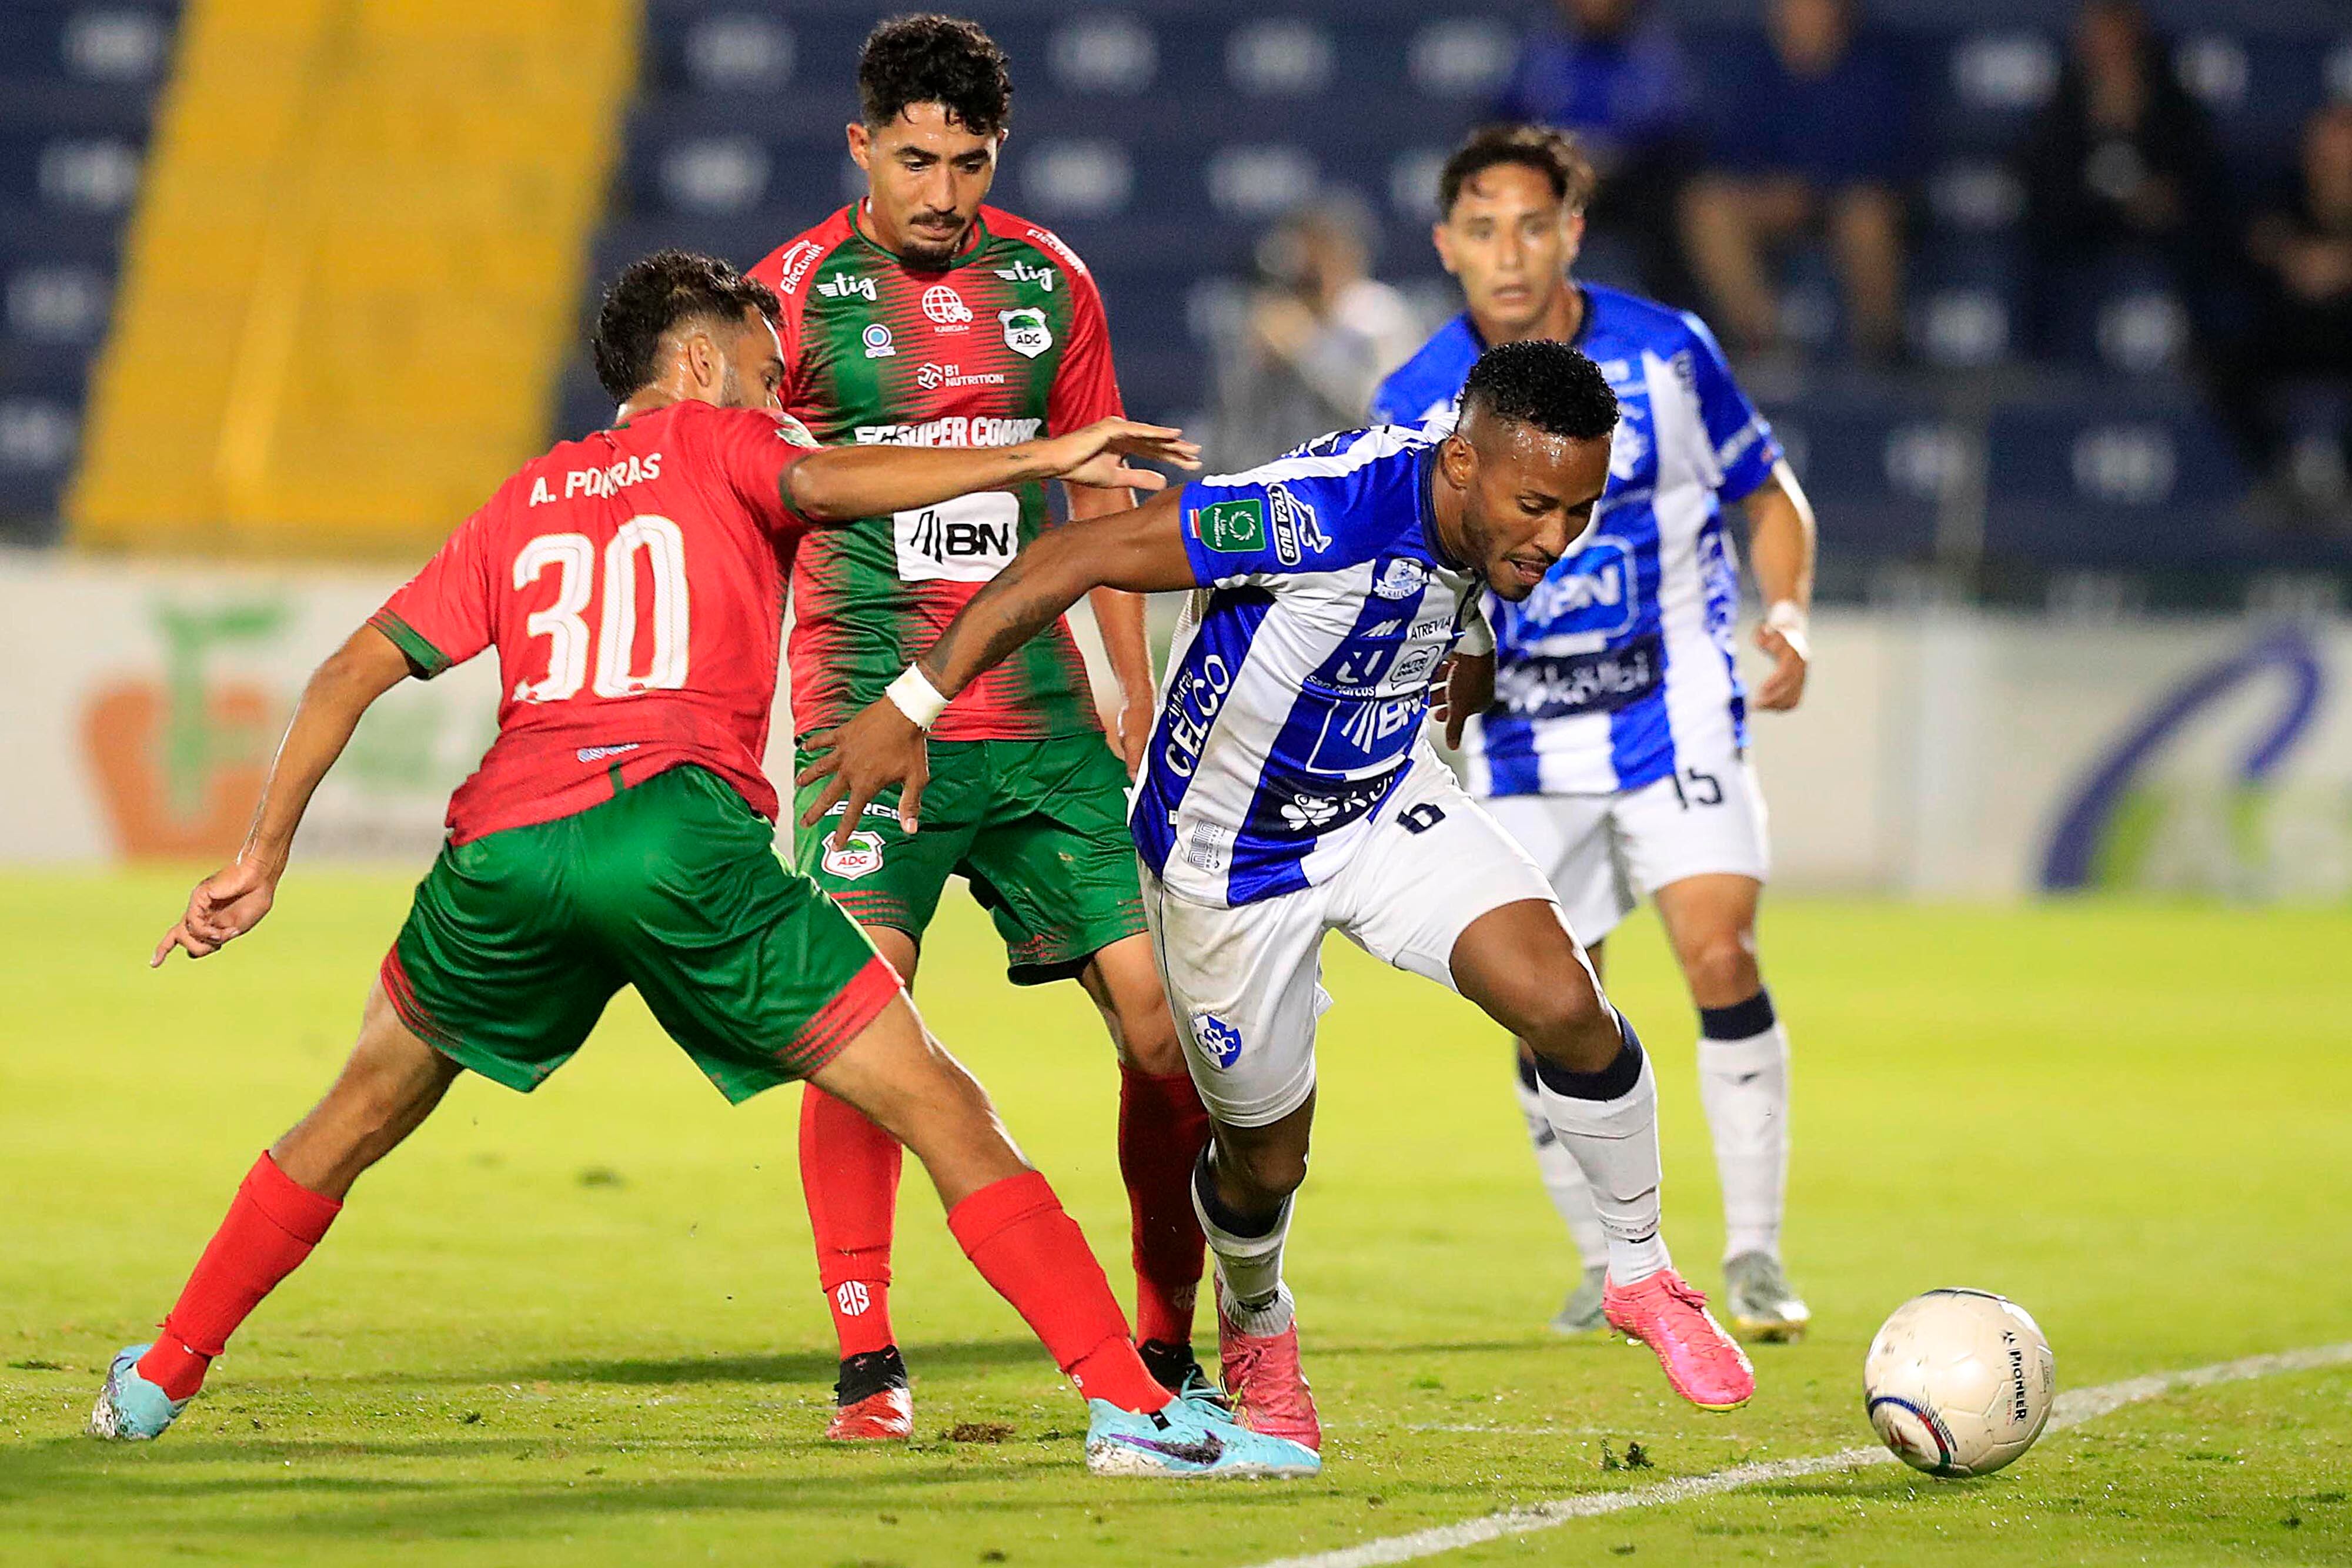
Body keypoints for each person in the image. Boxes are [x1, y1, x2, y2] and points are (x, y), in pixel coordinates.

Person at [86, 250, 1319, 1481]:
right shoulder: (714, 442)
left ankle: (158, 1375)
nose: (778, 389)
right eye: (763, 362)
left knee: (353, 1110)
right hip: (673, 838)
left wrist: (261, 854)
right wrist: (1034, 456)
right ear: (694, 360)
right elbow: (830, 479)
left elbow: (351, 669)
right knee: (942, 1105)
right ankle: (1128, 1403)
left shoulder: (528, 496)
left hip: (505, 850)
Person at [804, 340, 1759, 1448]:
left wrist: (1473, 652)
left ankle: (1641, 1275)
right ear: (1463, 463)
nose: (1554, 538)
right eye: (1536, 506)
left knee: (1565, 1000)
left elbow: (1448, 599)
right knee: (1266, 1158)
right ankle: (1256, 1319)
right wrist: (911, 702)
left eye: (1577, 511)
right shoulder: (1317, 513)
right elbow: (1069, 555)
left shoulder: (1491, 530)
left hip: (1382, 801)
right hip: (1227, 861)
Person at [743, 14, 1219, 1441]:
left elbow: (1103, 498)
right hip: (860, 705)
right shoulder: (788, 295)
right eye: (913, 160)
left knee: (1158, 1029)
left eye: (967, 162)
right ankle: (867, 1358)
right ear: (859, 147)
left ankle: (1160, 1330)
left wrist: (1129, 678)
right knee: (862, 1013)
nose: (941, 192)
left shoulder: (1047, 279)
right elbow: (767, 487)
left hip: (1034, 711)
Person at [1372, 125, 1821, 1345]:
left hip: (1667, 700)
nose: (1506, 252)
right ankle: (1605, 1260)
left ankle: (1753, 1254)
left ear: (1571, 229)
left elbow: (1761, 492)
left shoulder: (1667, 352)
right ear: (1444, 244)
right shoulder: (1413, 402)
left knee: (1716, 948)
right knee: (1555, 998)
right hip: (1517, 732)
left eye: (1531, 224)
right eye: (1481, 228)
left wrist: (1780, 611)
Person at [1678, 0, 1909, 360]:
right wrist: (1772, 191)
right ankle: (1765, 347)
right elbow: (1731, 153)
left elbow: (1888, 157)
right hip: (1777, 201)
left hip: (1850, 200)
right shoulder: (1759, 67)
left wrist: (1814, 188)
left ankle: (1879, 354)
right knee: (1708, 206)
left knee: (1868, 216)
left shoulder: (1878, 63)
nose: (1803, 14)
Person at [2014, 0, 2229, 359]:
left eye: (2114, 34)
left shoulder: (2173, 104)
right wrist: (2111, 204)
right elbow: (2045, 193)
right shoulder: (2062, 108)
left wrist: (2157, 189)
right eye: (2095, 34)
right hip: (2081, 247)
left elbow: (2201, 185)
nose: (2105, 46)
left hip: (2167, 248)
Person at [1493, 0, 1702, 306]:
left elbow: (1672, 127)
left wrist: (1609, 157)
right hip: (1554, 177)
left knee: (1675, 201)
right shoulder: (1544, 49)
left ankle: (1667, 326)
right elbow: (1509, 120)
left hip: (1634, 183)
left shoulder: (1652, 48)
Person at [1206, 196, 1424, 471]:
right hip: (1284, 482)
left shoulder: (1379, 316)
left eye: (1319, 255)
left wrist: (1307, 350)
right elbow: (1236, 424)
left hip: (1359, 481)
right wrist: (1256, 362)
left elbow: (1386, 412)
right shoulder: (1277, 314)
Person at [2209, 103, 2352, 519]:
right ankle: (2277, 474)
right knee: (2224, 355)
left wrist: (2340, 265)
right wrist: (2294, 256)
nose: (2338, 170)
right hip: (2292, 334)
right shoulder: (2282, 191)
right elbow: (2254, 235)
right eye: (2329, 157)